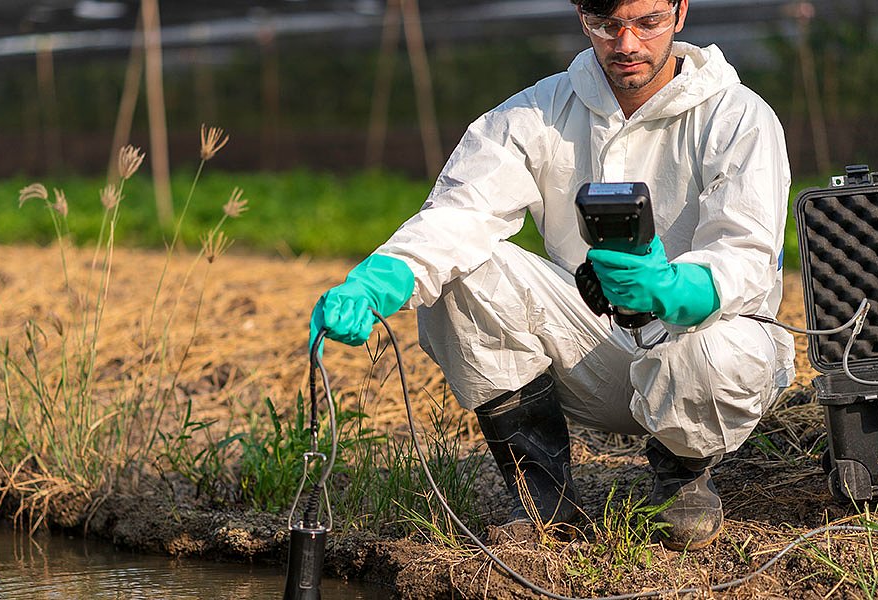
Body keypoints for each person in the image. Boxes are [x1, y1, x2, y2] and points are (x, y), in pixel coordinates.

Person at [309, 0, 794, 551]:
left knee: (710, 353)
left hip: (704, 347)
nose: (627, 44)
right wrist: (381, 278)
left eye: (648, 22)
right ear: (581, 15)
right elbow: (461, 212)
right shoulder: (539, 112)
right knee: (465, 272)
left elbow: (746, 256)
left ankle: (682, 476)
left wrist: (677, 288)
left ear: (681, 12)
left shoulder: (738, 117)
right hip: (596, 349)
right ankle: (545, 500)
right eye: (606, 25)